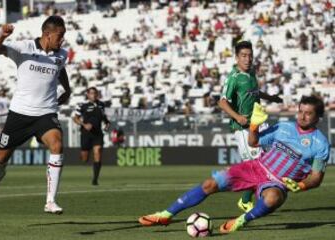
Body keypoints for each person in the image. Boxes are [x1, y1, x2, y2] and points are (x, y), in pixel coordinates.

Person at [139, 95, 329, 234]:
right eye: (301, 112)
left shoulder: (320, 144)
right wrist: (253, 126)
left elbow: (316, 177)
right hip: (256, 168)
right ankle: (165, 214)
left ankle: (240, 221)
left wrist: (302, 185)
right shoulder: (283, 126)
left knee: (272, 199)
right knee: (209, 184)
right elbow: (254, 142)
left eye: (308, 114)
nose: (302, 116)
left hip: (278, 183)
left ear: (317, 117)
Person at [0, 16, 71, 214]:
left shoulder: (62, 54)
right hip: (19, 114)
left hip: (45, 113)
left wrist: (67, 89)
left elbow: (60, 69)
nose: (62, 40)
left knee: (57, 144)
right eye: (60, 35)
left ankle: (50, 201)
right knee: (1, 157)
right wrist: (2, 36)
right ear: (47, 34)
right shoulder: (24, 47)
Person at [218, 40, 282, 212]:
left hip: (257, 124)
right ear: (237, 57)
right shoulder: (234, 78)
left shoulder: (252, 72)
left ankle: (249, 198)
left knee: (264, 162)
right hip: (243, 128)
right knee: (255, 165)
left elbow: (254, 92)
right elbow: (222, 102)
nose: (247, 59)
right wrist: (238, 117)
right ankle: (246, 200)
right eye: (243, 56)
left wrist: (271, 98)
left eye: (250, 55)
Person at [73, 87, 110, 185]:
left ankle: (95, 179)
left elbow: (103, 116)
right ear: (88, 95)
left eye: (95, 93)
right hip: (86, 134)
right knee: (84, 158)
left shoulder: (101, 105)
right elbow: (75, 118)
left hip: (97, 133)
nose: (94, 95)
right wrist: (84, 125)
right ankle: (84, 155)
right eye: (92, 93)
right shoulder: (82, 105)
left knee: (97, 152)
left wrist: (107, 123)